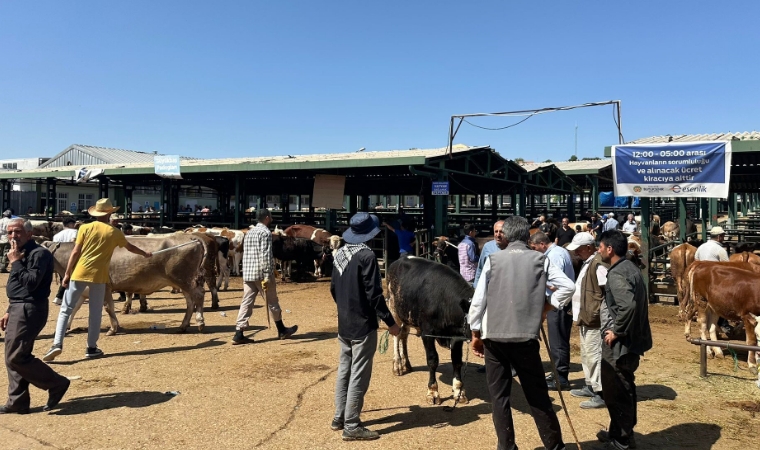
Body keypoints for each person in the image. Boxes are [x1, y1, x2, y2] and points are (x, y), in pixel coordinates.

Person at [469, 216, 575, 450]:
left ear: (505, 236)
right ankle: (554, 445)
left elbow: (478, 301)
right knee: (537, 395)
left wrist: (475, 333)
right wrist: (547, 307)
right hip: (525, 338)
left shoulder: (493, 260)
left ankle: (506, 447)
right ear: (528, 237)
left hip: (493, 338)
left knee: (499, 397)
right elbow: (569, 287)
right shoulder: (540, 259)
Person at [43, 198, 153, 361]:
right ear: (109, 213)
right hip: (99, 276)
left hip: (79, 273)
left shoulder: (85, 228)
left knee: (66, 309)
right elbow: (130, 248)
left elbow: (75, 252)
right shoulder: (114, 232)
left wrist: (66, 274)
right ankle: (91, 347)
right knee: (95, 312)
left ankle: (57, 344)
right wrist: (145, 254)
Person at [331, 212, 400, 441]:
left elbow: (333, 289)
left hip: (344, 323)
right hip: (363, 324)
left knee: (344, 370)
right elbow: (375, 295)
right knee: (359, 374)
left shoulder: (340, 253)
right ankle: (351, 425)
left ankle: (339, 416)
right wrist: (391, 323)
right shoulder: (367, 255)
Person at [1, 219, 71, 414]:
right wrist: (9, 309)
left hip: (30, 309)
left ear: (29, 234)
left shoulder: (39, 254)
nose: (13, 236)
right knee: (12, 356)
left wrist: (15, 262)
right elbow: (18, 286)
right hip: (18, 307)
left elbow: (31, 283)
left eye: (18, 232)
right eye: (10, 233)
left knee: (17, 356)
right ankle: (17, 402)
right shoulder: (18, 253)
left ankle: (56, 383)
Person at [596, 230, 652, 450]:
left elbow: (627, 305)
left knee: (617, 388)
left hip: (621, 344)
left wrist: (617, 331)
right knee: (624, 385)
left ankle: (622, 440)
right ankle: (617, 431)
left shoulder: (618, 274)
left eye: (600, 246)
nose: (598, 249)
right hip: (632, 339)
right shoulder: (629, 267)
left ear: (609, 249)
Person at [233, 208, 298, 344]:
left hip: (249, 272)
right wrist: (268, 274)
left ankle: (239, 331)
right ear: (267, 217)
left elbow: (246, 252)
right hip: (261, 273)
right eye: (271, 216)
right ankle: (281, 329)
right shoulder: (265, 232)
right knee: (272, 301)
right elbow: (266, 254)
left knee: (247, 301)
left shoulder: (249, 232)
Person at [566, 232, 609, 409]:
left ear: (589, 248)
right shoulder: (590, 262)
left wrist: (598, 312)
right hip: (586, 316)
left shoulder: (598, 264)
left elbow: (606, 290)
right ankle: (591, 385)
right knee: (586, 353)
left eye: (579, 249)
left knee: (594, 355)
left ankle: (601, 393)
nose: (576, 253)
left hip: (594, 318)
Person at [529, 231, 576, 390]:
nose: (534, 251)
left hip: (558, 302)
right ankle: (557, 372)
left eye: (535, 248)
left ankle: (561, 376)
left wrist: (543, 283)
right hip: (557, 301)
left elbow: (558, 283)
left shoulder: (554, 255)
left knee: (558, 340)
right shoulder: (558, 252)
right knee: (557, 339)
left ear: (542, 244)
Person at [694, 226, 731, 335]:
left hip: (701, 281)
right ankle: (722, 324)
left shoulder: (701, 247)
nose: (723, 238)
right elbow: (727, 268)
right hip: (715, 282)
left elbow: (696, 262)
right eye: (723, 236)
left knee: (703, 305)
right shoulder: (720, 250)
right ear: (719, 237)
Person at [51, 217, 79, 305]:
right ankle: (59, 297)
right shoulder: (75, 233)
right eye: (73, 224)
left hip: (59, 259)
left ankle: (64, 297)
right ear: (70, 224)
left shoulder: (57, 235)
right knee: (68, 278)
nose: (74, 225)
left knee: (63, 277)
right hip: (71, 257)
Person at [473, 220, 507, 289]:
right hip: (490, 288)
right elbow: (480, 268)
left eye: (501, 232)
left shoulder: (511, 247)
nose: (498, 235)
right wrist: (476, 287)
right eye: (496, 231)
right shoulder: (488, 247)